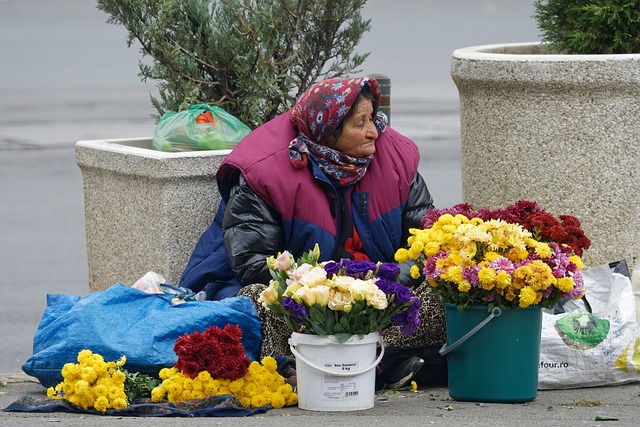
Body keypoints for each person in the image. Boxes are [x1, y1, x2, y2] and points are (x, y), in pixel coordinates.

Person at [179, 76, 447, 388]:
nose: (374, 131)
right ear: (330, 131)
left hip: (377, 292)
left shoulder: (396, 161)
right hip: (302, 297)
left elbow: (426, 243)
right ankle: (372, 365)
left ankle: (348, 367)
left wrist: (379, 285)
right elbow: (253, 264)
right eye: (360, 123)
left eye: (372, 118)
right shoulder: (265, 172)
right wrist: (323, 292)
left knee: (447, 293)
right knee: (258, 305)